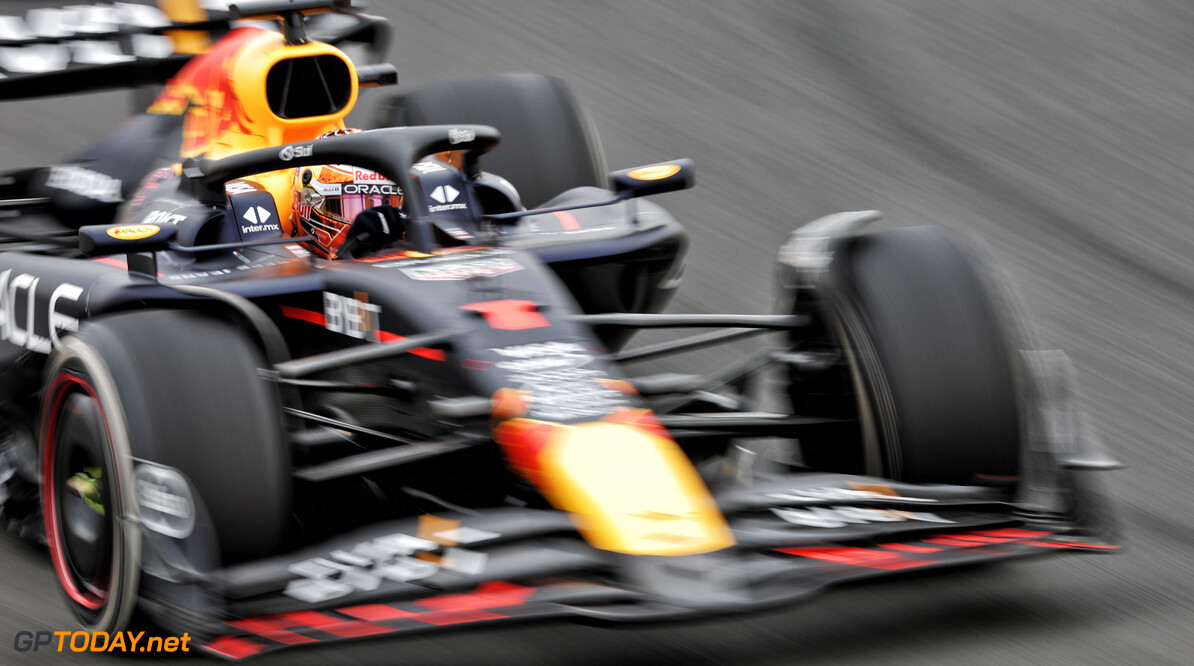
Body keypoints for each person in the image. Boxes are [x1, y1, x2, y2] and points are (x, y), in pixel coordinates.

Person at [288, 129, 407, 259]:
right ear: (306, 204)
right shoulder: (290, 269)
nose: (371, 224)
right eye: (350, 206)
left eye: (385, 203)